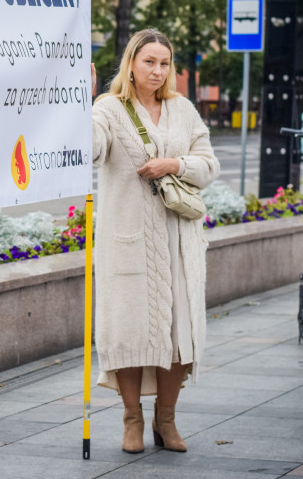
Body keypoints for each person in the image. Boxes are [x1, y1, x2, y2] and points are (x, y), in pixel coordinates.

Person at [89, 28, 219, 454]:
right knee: (128, 331)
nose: (158, 71)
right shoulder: (108, 109)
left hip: (180, 241)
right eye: (149, 62)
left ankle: (166, 419)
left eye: (164, 63)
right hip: (129, 241)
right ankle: (132, 419)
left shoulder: (182, 110)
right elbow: (87, 151)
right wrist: (79, 105)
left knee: (180, 333)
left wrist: (173, 164)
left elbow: (208, 165)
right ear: (131, 63)